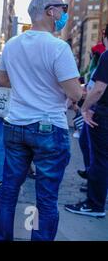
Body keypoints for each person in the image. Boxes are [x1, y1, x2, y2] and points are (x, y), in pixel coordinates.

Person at [0, 0, 82, 241]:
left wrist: (27, 85)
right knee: (45, 198)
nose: (64, 13)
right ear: (50, 11)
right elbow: (74, 93)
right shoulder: (58, 48)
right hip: (49, 128)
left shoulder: (11, 44)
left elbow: (2, 80)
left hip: (16, 124)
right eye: (62, 8)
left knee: (8, 191)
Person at [65, 24, 108, 218]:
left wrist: (83, 108)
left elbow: (99, 89)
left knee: (99, 160)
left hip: (104, 115)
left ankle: (94, 204)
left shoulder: (107, 56)